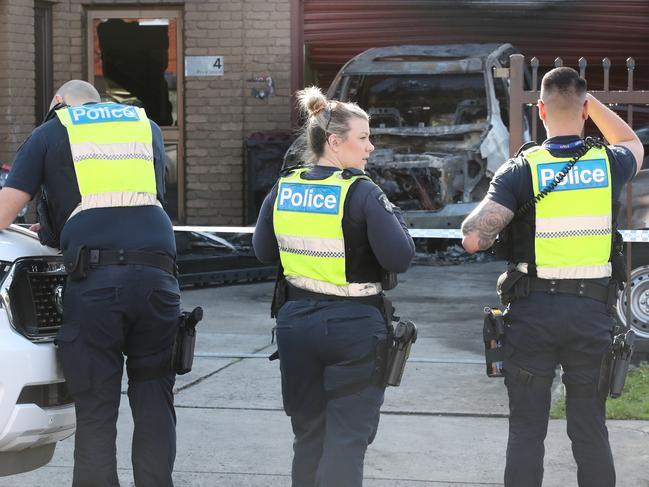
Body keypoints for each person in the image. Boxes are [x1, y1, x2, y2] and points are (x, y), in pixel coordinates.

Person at [461, 67, 643, 487]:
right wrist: (591, 101)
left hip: (532, 316)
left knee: (527, 430)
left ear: (539, 109)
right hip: (591, 317)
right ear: (584, 110)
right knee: (589, 429)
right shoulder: (609, 163)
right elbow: (631, 141)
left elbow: (473, 239)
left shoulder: (520, 169)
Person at [0, 80, 180, 487]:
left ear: (60, 102)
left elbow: (4, 211)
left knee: (97, 408)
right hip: (157, 276)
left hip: (97, 281)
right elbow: (128, 199)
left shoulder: (52, 130)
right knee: (154, 398)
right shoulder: (145, 126)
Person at [253, 86, 415, 487]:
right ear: (335, 142)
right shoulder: (361, 191)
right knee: (346, 440)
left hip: (295, 327)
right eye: (363, 138)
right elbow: (400, 258)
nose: (371, 147)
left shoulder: (284, 187)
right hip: (354, 329)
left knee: (308, 436)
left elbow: (262, 251)